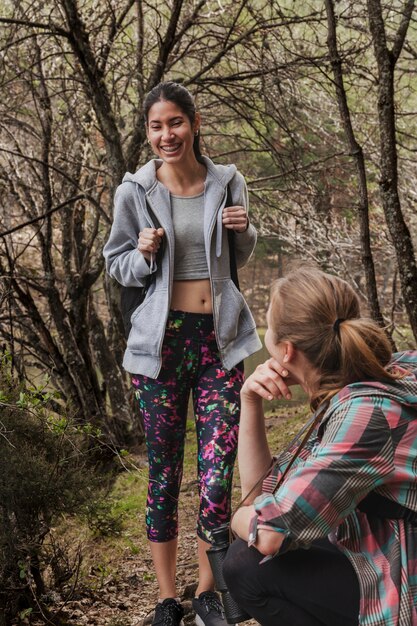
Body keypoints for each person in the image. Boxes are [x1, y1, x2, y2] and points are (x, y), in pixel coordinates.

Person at [103, 81, 261, 626]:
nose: (166, 135)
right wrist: (142, 253)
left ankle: (208, 594)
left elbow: (238, 250)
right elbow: (116, 264)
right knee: (164, 474)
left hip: (219, 342)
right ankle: (168, 599)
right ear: (147, 132)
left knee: (217, 476)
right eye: (155, 126)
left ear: (194, 122)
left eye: (175, 122)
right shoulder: (135, 191)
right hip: (162, 346)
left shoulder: (228, 181)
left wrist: (245, 229)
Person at [223, 266, 417, 626]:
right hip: (381, 544)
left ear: (286, 350)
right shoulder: (389, 373)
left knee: (244, 566)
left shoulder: (365, 415)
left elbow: (267, 532)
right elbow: (270, 492)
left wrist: (235, 518)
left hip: (405, 584)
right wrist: (249, 401)